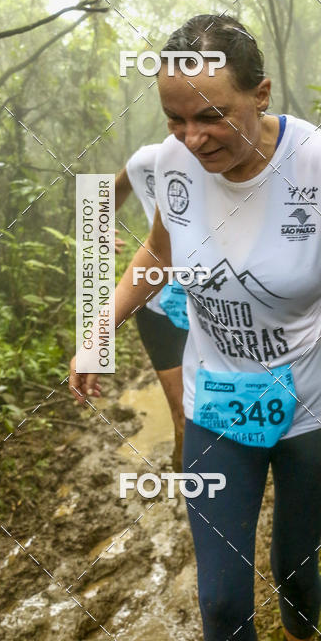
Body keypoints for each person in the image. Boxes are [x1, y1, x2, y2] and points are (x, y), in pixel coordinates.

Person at [69, 15, 321, 641]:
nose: (192, 139)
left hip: (313, 404)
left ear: (260, 93)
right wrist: (98, 327)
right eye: (175, 120)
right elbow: (156, 257)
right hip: (217, 402)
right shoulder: (174, 163)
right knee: (223, 595)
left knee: (296, 564)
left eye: (212, 118)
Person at [115, 146, 188, 468]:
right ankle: (190, 489)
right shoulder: (148, 159)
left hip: (221, 312)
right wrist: (99, 227)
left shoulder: (243, 168)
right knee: (185, 416)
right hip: (160, 306)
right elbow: (104, 195)